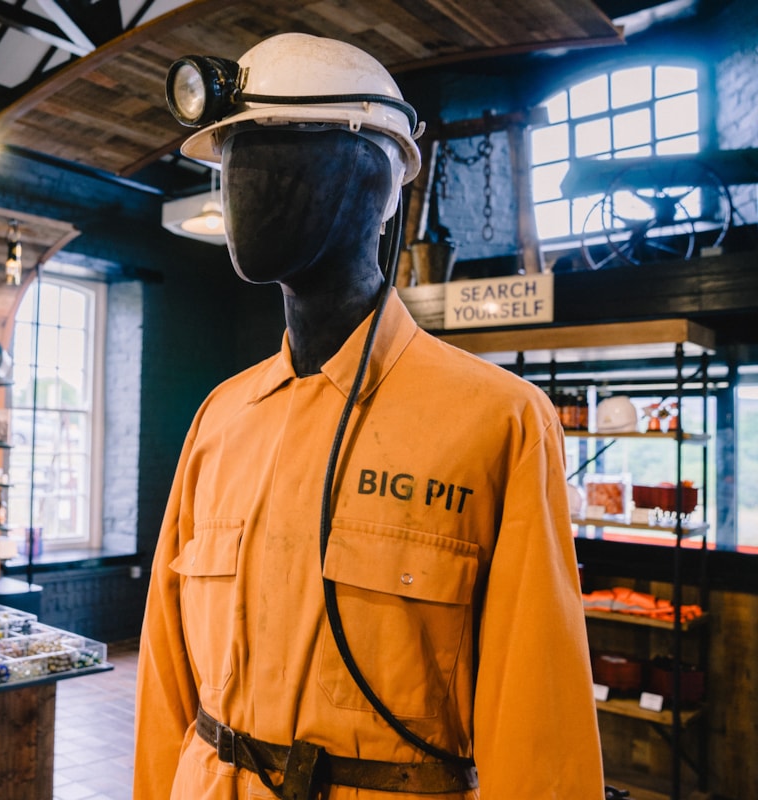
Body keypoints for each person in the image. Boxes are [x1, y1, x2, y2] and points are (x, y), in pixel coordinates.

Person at [134, 32, 603, 799]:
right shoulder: (222, 419)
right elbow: (163, 681)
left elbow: (538, 720)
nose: (243, 189)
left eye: (279, 156)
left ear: (375, 180)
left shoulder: (498, 420)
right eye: (232, 162)